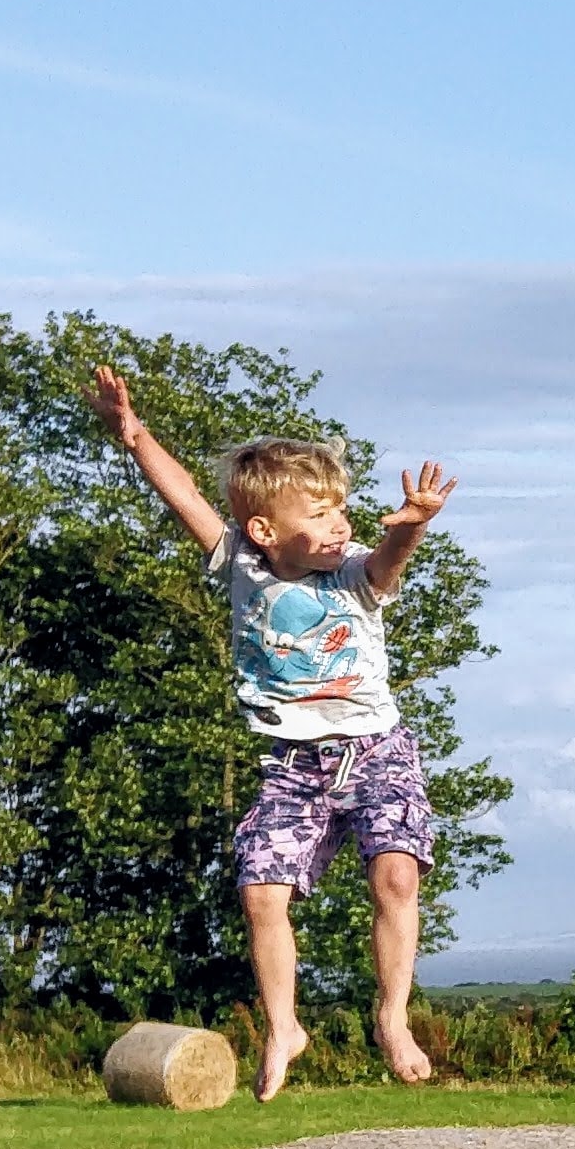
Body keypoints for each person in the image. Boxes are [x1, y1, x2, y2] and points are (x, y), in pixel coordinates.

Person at [88, 366, 456, 1099]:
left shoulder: (354, 574)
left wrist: (411, 525)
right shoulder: (241, 565)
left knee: (396, 874)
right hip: (294, 763)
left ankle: (391, 1017)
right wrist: (133, 434)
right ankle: (284, 1026)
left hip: (376, 749)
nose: (340, 525)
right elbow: (186, 495)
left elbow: (390, 559)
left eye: (341, 509)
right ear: (265, 531)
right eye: (320, 515)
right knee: (262, 894)